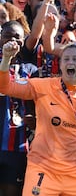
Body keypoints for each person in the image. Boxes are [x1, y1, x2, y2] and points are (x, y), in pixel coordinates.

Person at [0, 42, 76, 195]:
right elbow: (5, 87)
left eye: (75, 59)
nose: (70, 62)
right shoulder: (43, 87)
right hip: (43, 169)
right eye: (66, 59)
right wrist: (6, 59)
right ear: (61, 65)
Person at [0, 21, 37, 196]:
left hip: (18, 145)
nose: (13, 40)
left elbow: (37, 105)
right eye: (8, 35)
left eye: (18, 37)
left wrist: (34, 118)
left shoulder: (31, 70)